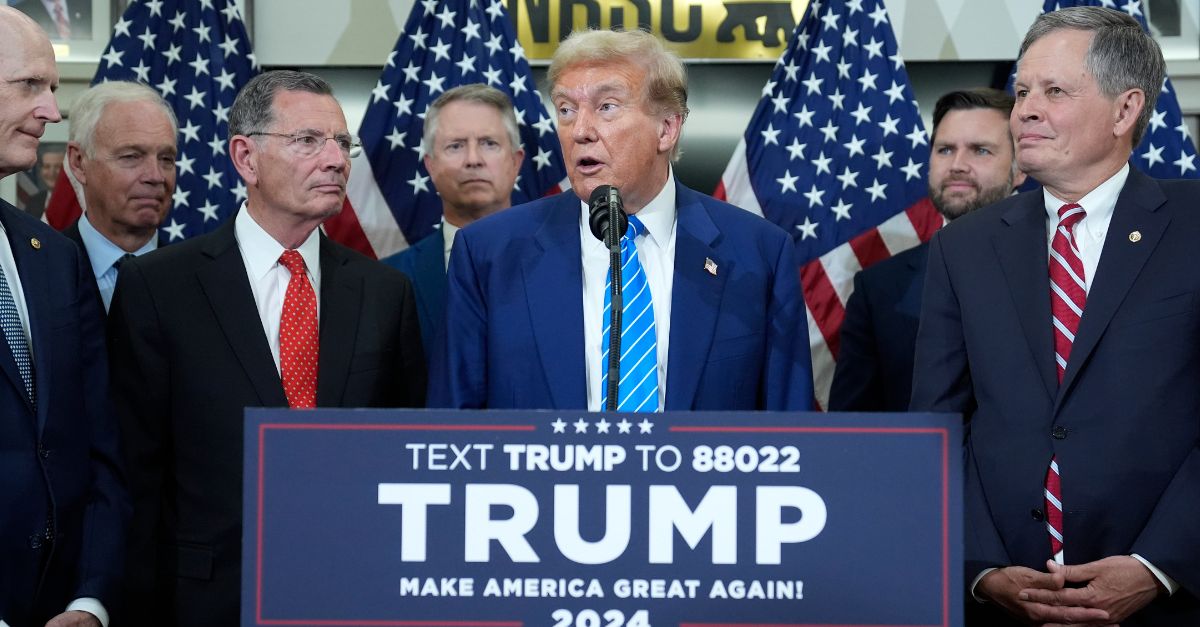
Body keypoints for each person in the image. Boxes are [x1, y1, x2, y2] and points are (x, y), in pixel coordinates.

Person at [911, 6, 1200, 624]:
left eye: (1054, 91)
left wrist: (1159, 565)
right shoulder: (962, 247)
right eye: (1021, 92)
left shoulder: (1194, 226)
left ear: (1125, 110)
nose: (1025, 111)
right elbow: (938, 425)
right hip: (1005, 605)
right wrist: (979, 569)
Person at [107, 70, 427, 627]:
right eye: (308, 141)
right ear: (245, 158)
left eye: (341, 143)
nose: (335, 160)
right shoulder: (160, 288)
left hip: (351, 597)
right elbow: (133, 474)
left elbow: (406, 458)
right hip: (203, 603)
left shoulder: (385, 292)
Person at [429, 29, 812, 411]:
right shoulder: (488, 255)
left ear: (667, 128)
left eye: (606, 106)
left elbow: (790, 435)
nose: (580, 131)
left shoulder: (758, 255)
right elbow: (451, 433)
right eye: (566, 109)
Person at [0, 7, 128, 627]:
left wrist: (90, 598)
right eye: (29, 86)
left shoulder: (53, 255)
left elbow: (96, 444)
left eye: (52, 89)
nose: (52, 110)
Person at [829, 88, 1025, 411]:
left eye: (980, 151)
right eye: (945, 150)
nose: (958, 165)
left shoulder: (1061, 268)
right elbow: (853, 431)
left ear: (1021, 169)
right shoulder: (878, 290)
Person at [381, 83, 524, 362]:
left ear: (516, 161)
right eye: (456, 146)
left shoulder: (564, 267)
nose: (473, 160)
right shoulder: (390, 281)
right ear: (430, 166)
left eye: (489, 143)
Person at [61, 81, 177, 312]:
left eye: (166, 159)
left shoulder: (199, 278)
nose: (155, 176)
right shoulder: (39, 272)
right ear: (79, 163)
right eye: (131, 156)